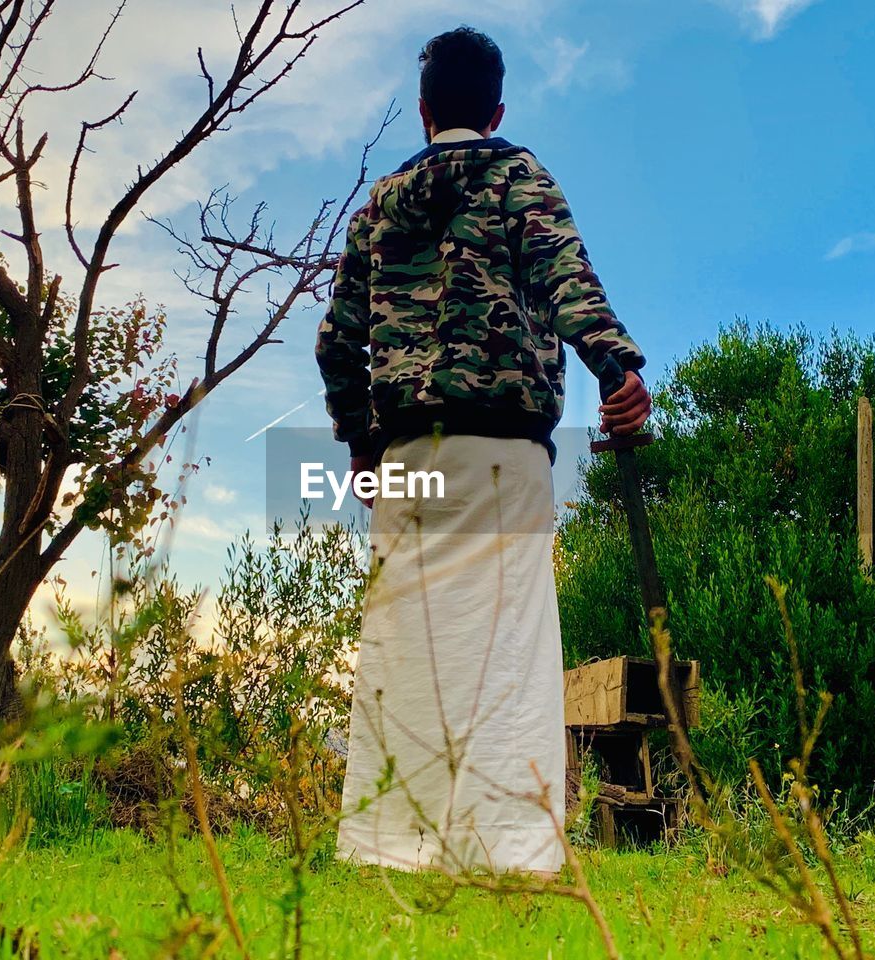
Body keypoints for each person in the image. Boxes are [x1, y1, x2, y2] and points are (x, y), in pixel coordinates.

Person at [315, 25, 651, 876]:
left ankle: (390, 846)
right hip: (503, 450)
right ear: (497, 108)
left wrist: (359, 440)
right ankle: (506, 850)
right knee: (507, 646)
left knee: (409, 647)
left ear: (424, 111)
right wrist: (619, 372)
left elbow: (335, 342)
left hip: (404, 457)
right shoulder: (519, 179)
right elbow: (570, 284)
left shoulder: (379, 208)